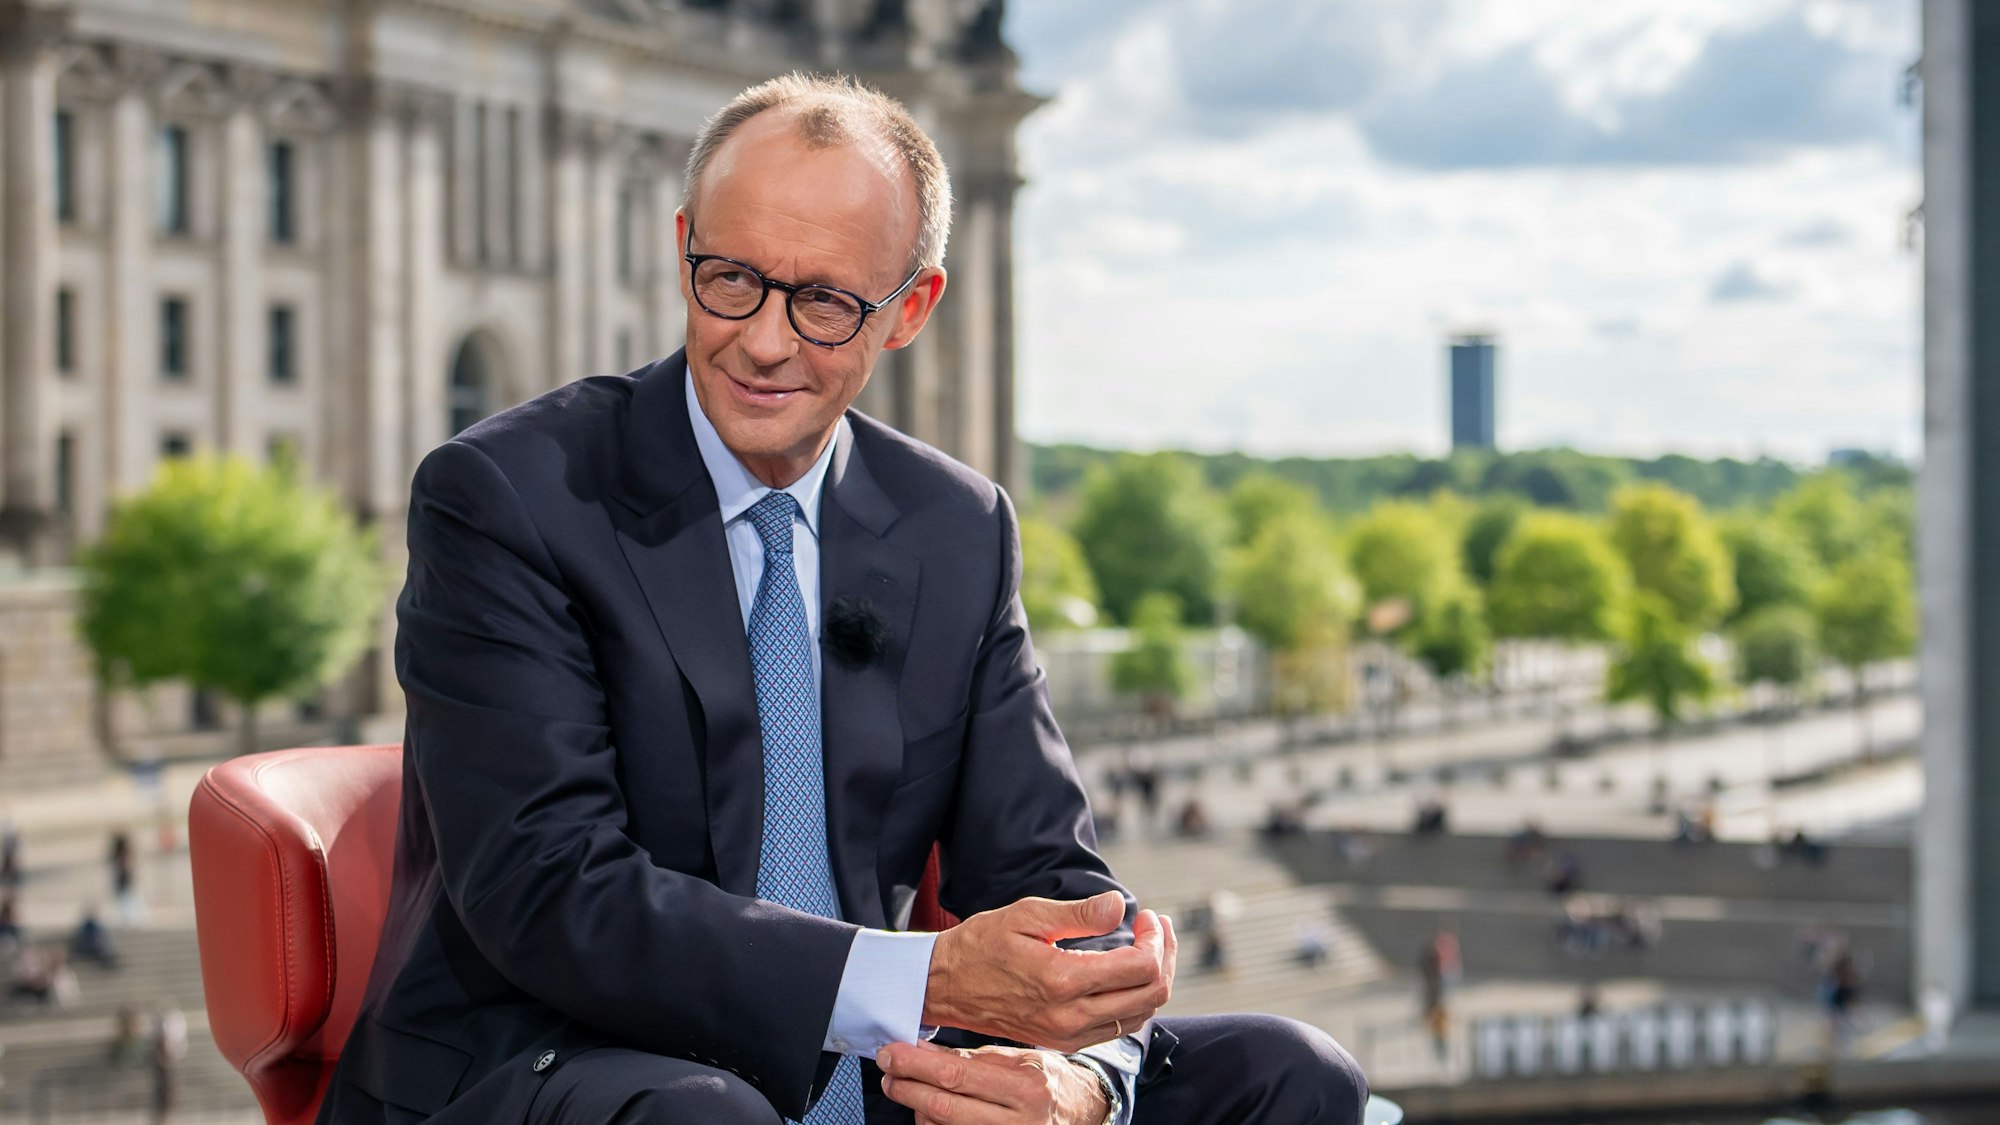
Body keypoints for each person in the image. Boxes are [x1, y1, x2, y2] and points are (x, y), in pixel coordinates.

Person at [317, 75, 1366, 1125]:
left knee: (1293, 1074)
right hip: (552, 1062)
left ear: (908, 310)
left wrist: (1084, 1080)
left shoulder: (956, 528)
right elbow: (546, 889)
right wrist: (917, 984)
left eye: (821, 302)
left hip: (870, 1066)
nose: (763, 341)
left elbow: (1045, 874)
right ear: (683, 246)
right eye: (728, 279)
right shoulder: (508, 493)